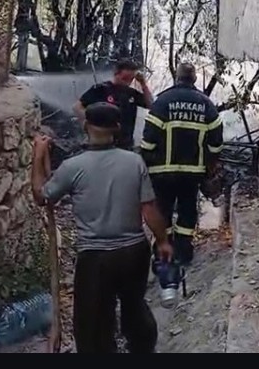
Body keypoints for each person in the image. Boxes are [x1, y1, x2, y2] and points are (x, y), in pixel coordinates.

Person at [32, 102, 174, 354]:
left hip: (95, 258)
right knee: (134, 305)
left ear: (85, 125)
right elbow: (149, 208)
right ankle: (143, 349)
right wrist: (162, 241)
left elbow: (42, 196)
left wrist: (38, 154)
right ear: (117, 128)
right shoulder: (134, 162)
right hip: (134, 252)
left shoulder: (72, 167)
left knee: (92, 322)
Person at [138, 62, 223, 266]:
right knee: (187, 210)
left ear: (177, 78)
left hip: (161, 172)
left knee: (163, 210)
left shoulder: (162, 102)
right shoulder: (206, 104)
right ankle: (184, 252)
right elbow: (216, 143)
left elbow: (148, 140)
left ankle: (162, 251)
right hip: (192, 173)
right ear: (194, 79)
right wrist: (210, 165)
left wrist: (146, 162)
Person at [75, 58, 153, 150]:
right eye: (124, 78)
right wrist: (92, 122)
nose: (127, 83)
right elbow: (77, 107)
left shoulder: (131, 93)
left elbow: (151, 105)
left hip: (125, 145)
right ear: (116, 73)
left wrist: (143, 84)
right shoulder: (101, 89)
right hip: (103, 144)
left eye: (130, 79)